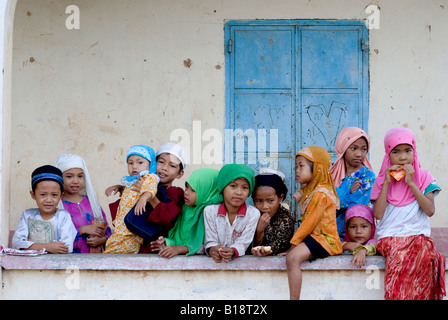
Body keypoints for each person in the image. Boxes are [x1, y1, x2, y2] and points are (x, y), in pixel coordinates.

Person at [371, 127, 446, 300]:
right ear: (388, 155)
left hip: (417, 237)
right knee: (399, 253)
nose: (403, 157)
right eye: (396, 152)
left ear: (414, 151)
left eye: (408, 150)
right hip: (389, 238)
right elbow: (378, 215)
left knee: (423, 251)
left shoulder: (425, 178)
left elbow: (430, 210)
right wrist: (387, 184)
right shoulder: (382, 180)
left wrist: (412, 183)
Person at [285, 146, 342, 300]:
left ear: (316, 168)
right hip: (314, 237)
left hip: (325, 240)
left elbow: (309, 222)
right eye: (296, 166)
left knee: (292, 258)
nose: (297, 170)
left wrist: (294, 244)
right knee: (290, 255)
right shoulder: (310, 191)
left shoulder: (321, 194)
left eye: (301, 166)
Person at [150, 168, 220, 258]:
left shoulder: (210, 213)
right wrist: (166, 242)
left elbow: (207, 246)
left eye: (193, 190)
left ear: (207, 192)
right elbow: (181, 240)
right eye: (187, 187)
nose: (186, 192)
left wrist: (180, 249)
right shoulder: (186, 208)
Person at [104, 145, 159, 254]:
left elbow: (151, 189)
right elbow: (131, 190)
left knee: (114, 255)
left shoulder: (149, 177)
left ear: (150, 163)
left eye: (140, 162)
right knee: (111, 248)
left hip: (131, 231)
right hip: (122, 229)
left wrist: (144, 198)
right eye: (130, 163)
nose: (134, 166)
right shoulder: (133, 181)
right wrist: (119, 187)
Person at [11, 165, 77, 253]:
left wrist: (31, 245)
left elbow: (66, 247)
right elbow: (16, 243)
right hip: (31, 265)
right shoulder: (27, 216)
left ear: (61, 195)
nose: (48, 200)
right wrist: (48, 247)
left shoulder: (64, 217)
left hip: (57, 265)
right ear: (33, 195)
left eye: (54, 195)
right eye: (43, 195)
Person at [54, 154, 111, 253]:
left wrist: (102, 240)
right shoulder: (56, 205)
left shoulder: (91, 202)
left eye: (80, 176)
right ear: (59, 178)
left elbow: (106, 229)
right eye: (69, 176)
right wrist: (82, 230)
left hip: (96, 261)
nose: (76, 181)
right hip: (70, 263)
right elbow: (55, 237)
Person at [204, 164, 259, 263]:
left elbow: (243, 242)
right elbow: (211, 240)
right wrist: (213, 249)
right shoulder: (210, 211)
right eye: (233, 186)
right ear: (223, 187)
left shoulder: (253, 213)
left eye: (245, 188)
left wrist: (233, 251)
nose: (239, 192)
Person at [139, 142, 187, 253]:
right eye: (161, 162)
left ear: (179, 174)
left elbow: (167, 218)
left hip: (158, 248)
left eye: (172, 165)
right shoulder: (139, 184)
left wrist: (148, 194)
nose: (164, 168)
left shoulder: (176, 193)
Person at [330, 127, 375, 239]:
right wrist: (349, 194)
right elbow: (325, 207)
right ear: (343, 148)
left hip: (356, 236)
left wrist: (342, 200)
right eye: (353, 148)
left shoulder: (367, 176)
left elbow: (359, 208)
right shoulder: (333, 175)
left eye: (363, 149)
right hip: (331, 234)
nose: (359, 154)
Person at [251, 169, 295, 256]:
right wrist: (259, 230)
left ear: (280, 198)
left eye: (270, 201)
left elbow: (276, 248)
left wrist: (260, 231)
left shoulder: (287, 218)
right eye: (259, 201)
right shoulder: (250, 215)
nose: (264, 206)